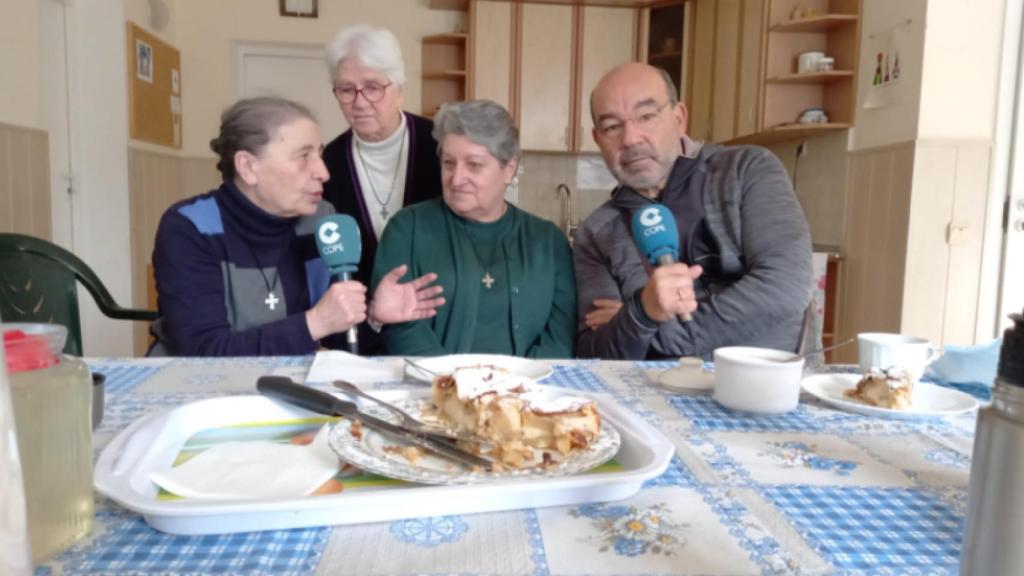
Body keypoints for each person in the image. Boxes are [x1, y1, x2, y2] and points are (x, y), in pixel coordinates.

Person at [150, 96, 444, 356]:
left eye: (319, 153)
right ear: (248, 167)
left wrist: (372, 319)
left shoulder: (322, 221)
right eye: (304, 156)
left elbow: (336, 346)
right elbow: (201, 354)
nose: (324, 172)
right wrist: (313, 323)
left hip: (291, 392)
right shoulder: (189, 228)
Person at [574, 63, 812, 360]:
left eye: (646, 116)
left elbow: (783, 291)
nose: (631, 139)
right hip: (654, 399)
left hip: (774, 390)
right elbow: (594, 352)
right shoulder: (596, 233)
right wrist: (643, 310)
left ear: (679, 118)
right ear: (598, 140)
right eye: (612, 127)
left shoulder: (748, 170)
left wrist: (646, 326)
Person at [371, 100, 576, 358]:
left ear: (508, 169)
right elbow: (402, 329)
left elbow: (559, 333)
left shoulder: (548, 241)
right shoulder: (406, 229)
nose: (456, 179)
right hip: (434, 388)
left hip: (527, 392)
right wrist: (454, 383)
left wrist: (519, 385)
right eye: (448, 163)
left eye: (474, 165)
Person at [322, 24, 443, 353]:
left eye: (373, 87)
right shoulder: (326, 165)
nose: (359, 102)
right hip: (364, 334)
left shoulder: (440, 147)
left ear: (399, 89)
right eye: (346, 90)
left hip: (436, 325)